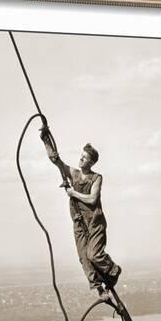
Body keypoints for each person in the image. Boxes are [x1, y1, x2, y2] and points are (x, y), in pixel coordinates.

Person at [40, 125, 121, 300]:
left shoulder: (96, 177)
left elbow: (93, 199)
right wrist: (45, 139)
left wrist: (73, 193)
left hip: (94, 222)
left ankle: (113, 270)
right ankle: (100, 289)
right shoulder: (74, 174)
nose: (81, 159)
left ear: (91, 163)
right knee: (84, 258)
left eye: (85, 158)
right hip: (78, 222)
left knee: (94, 255)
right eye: (81, 156)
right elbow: (57, 162)